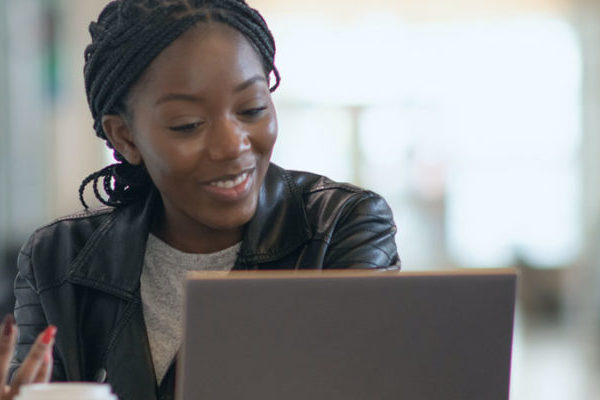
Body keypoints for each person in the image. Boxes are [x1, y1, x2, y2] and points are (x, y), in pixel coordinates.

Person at [1, 0, 400, 399]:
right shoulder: (58, 259)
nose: (232, 146)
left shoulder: (341, 227)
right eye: (188, 125)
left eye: (252, 109)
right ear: (125, 136)